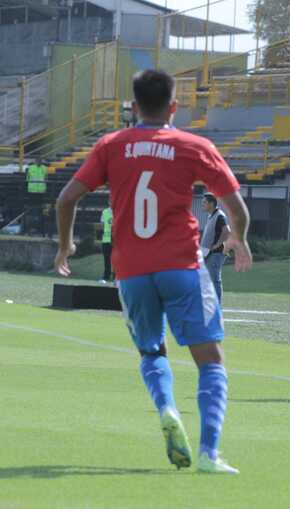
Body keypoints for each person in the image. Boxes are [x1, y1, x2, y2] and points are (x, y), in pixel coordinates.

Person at [54, 69, 252, 474]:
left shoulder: (111, 145)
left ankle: (166, 408)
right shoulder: (192, 145)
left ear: (133, 106)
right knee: (210, 359)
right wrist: (240, 239)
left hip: (131, 272)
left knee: (151, 351)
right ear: (174, 107)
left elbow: (66, 199)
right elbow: (236, 206)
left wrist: (65, 245)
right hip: (181, 267)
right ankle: (209, 454)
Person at [200, 192, 231, 302]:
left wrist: (217, 245)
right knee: (208, 279)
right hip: (209, 253)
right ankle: (211, 303)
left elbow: (227, 231)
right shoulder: (211, 215)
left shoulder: (219, 215)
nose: (202, 204)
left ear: (212, 204)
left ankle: (216, 306)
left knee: (215, 279)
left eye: (204, 202)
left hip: (216, 253)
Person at [99, 206, 113, 283]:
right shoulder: (105, 211)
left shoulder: (119, 209)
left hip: (117, 239)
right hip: (106, 238)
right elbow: (102, 224)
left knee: (116, 258)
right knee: (106, 258)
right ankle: (106, 275)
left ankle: (116, 276)